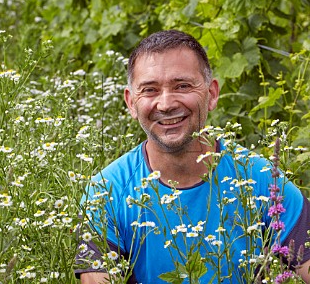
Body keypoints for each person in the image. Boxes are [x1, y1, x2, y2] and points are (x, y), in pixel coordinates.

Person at [75, 30, 310, 283]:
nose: (165, 104)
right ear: (131, 103)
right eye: (150, 90)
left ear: (212, 94)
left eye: (182, 86)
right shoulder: (105, 192)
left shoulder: (262, 180)